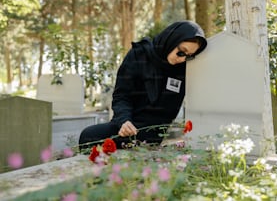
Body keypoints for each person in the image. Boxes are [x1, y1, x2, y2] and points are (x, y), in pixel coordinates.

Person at [79, 20, 207, 150]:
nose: (182, 59)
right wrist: (124, 121)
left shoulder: (183, 69)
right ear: (171, 40)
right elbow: (121, 96)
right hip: (127, 127)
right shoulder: (139, 55)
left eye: (188, 56)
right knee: (88, 136)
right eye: (181, 52)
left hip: (153, 135)